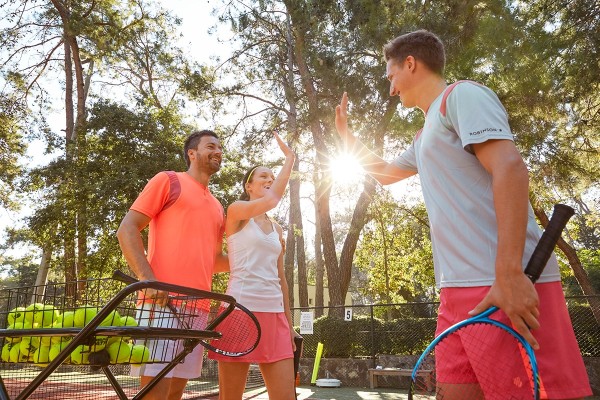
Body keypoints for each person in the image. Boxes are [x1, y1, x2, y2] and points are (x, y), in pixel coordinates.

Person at [335, 30, 591, 399]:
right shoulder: (424, 135)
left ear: (411, 63)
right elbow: (387, 174)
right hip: (455, 293)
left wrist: (508, 274)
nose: (391, 88)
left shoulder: (462, 95)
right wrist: (347, 138)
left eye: (391, 76)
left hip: (503, 282)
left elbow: (511, 169)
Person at [116, 130, 228, 400]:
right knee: (155, 390)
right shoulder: (169, 180)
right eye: (210, 146)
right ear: (192, 153)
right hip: (161, 302)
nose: (218, 151)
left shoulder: (217, 206)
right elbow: (127, 229)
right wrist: (147, 279)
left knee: (176, 391)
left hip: (198, 308)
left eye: (220, 148)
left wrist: (258, 254)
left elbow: (213, 262)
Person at [210, 131, 299, 400]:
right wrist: (290, 160)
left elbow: (281, 278)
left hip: (275, 316)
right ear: (249, 186)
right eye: (263, 176)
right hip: (239, 312)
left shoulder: (278, 229)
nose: (270, 180)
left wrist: (289, 323)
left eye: (273, 177)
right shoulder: (236, 212)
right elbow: (273, 199)